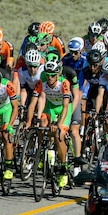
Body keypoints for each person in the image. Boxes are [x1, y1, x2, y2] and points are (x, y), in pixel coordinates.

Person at [30, 60, 73, 188]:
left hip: (62, 108)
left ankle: (64, 169)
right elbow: (41, 99)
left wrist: (59, 124)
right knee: (42, 123)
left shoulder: (64, 83)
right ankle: (43, 151)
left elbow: (65, 107)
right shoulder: (42, 82)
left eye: (53, 75)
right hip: (50, 106)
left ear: (58, 74)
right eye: (48, 75)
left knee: (59, 135)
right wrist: (37, 118)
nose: (50, 78)